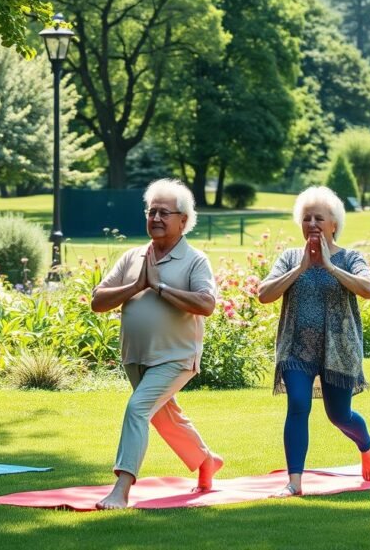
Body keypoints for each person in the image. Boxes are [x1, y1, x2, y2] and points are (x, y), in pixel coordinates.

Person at [91, 179, 224, 510]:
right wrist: (137, 285)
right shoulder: (132, 256)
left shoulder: (194, 260)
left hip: (176, 356)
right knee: (166, 417)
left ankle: (121, 489)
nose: (156, 218)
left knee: (137, 409)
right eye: (152, 211)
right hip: (135, 356)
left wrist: (161, 287)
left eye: (165, 212)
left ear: (184, 220)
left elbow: (206, 304)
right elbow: (98, 300)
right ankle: (206, 461)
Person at [258, 186, 370, 497]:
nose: (312, 224)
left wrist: (329, 266)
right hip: (296, 347)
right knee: (297, 405)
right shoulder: (289, 257)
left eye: (319, 218)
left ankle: (367, 444)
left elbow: (368, 288)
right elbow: (264, 294)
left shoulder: (350, 257)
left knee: (338, 416)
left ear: (333, 224)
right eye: (306, 218)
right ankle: (294, 482)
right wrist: (300, 268)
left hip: (338, 349)